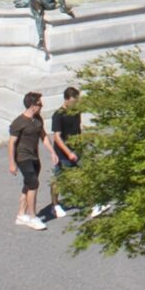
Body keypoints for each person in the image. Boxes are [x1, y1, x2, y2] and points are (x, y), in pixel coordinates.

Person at [39, 86, 84, 221]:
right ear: (67, 99)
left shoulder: (76, 112)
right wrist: (68, 152)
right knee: (58, 179)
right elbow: (57, 137)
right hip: (63, 152)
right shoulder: (58, 115)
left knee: (84, 174)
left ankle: (92, 200)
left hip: (76, 149)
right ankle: (55, 204)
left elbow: (78, 128)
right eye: (73, 100)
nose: (75, 103)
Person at [9, 91, 49, 229]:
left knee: (28, 184)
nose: (41, 106)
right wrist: (12, 163)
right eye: (39, 104)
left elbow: (43, 135)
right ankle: (32, 217)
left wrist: (52, 151)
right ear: (32, 105)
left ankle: (21, 215)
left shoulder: (38, 119)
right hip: (23, 158)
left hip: (34, 156)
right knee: (33, 184)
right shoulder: (18, 123)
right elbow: (11, 143)